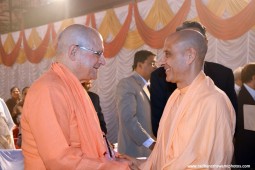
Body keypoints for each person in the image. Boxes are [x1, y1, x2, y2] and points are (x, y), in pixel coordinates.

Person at [21, 24, 131, 169]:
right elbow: (59, 160)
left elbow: (92, 146)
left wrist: (119, 160)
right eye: (98, 53)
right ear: (73, 52)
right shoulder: (48, 89)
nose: (103, 61)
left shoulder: (73, 88)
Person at [128, 29, 235, 169]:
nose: (161, 62)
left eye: (168, 54)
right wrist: (139, 164)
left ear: (189, 56)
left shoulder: (213, 101)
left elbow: (208, 163)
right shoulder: (175, 96)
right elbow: (165, 154)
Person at [150, 21, 238, 137]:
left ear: (205, 42)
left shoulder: (223, 76)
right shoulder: (161, 76)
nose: (162, 62)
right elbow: (159, 125)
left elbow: (231, 121)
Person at [116, 50, 156, 157]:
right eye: (152, 63)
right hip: (134, 152)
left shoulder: (149, 86)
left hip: (148, 152)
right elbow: (128, 118)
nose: (155, 67)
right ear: (139, 65)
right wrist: (150, 143)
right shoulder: (127, 84)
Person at [234, 63, 255, 168]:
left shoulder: (249, 94)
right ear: (254, 77)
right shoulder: (244, 97)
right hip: (248, 154)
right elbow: (251, 129)